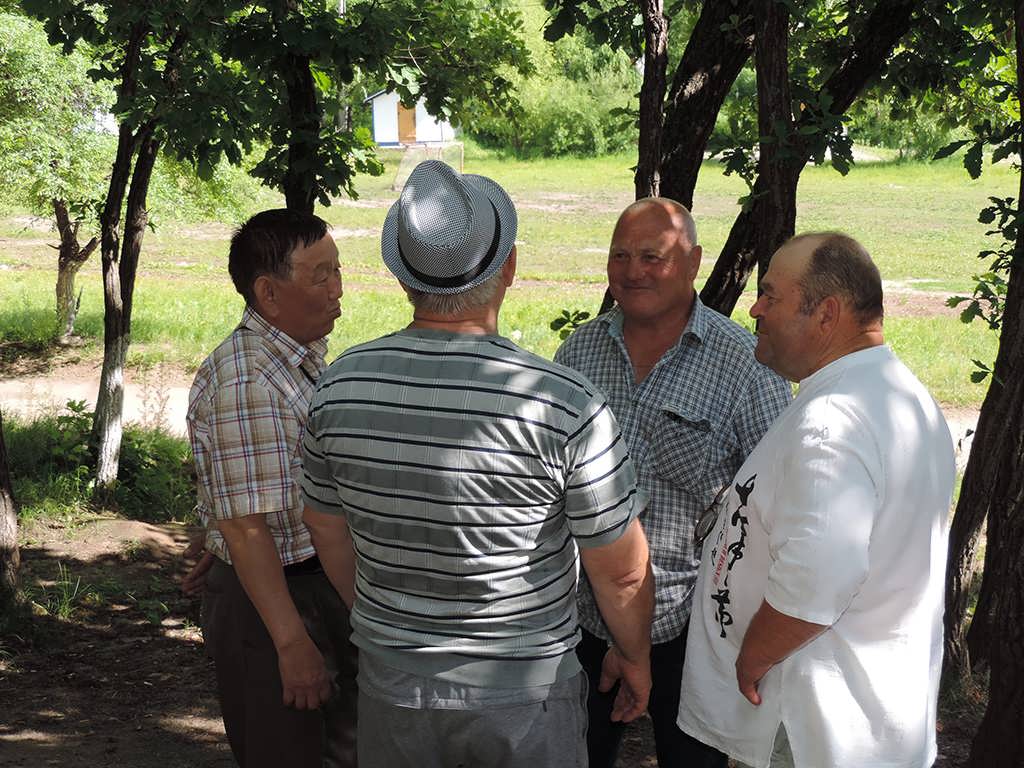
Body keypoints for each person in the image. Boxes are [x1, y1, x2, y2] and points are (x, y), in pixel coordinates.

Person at [299, 160, 655, 768]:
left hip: (393, 690)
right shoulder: (563, 405)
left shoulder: (338, 388)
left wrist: (390, 627)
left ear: (404, 278)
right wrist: (636, 656)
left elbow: (325, 527)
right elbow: (621, 574)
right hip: (525, 699)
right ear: (508, 267)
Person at [676, 232, 956, 768]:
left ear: (826, 313)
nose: (755, 309)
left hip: (815, 725)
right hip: (864, 720)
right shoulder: (897, 395)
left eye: (770, 295)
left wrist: (752, 656)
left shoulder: (832, 423)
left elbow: (818, 576)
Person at [554, 197, 791, 768]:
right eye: (620, 256)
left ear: (694, 263)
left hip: (695, 630)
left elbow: (779, 503)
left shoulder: (745, 365)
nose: (632, 271)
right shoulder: (578, 352)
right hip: (585, 619)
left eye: (652, 257)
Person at [186, 209, 357, 768]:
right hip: (280, 604)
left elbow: (251, 500)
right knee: (288, 751)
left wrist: (221, 538)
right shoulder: (249, 380)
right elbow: (246, 528)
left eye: (337, 270)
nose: (337, 289)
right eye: (320, 275)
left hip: (299, 585)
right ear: (268, 292)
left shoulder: (294, 358)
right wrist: (291, 643)